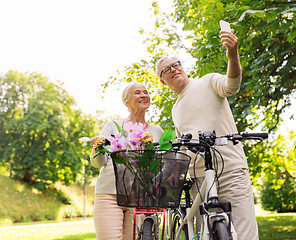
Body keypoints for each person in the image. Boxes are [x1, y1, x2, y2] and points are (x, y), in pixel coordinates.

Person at [155, 29, 259, 240]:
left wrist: (232, 54)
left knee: (245, 230)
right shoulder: (175, 109)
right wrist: (173, 174)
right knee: (208, 232)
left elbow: (232, 85)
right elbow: (183, 147)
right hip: (200, 178)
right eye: (167, 69)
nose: (174, 69)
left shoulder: (208, 81)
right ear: (162, 81)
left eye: (176, 64)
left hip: (230, 168)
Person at [90, 82, 163, 240]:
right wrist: (98, 147)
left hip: (140, 198)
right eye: (137, 92)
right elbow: (98, 163)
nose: (143, 95)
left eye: (145, 92)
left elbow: (159, 166)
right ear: (126, 101)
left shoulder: (157, 132)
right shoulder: (113, 126)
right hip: (110, 195)